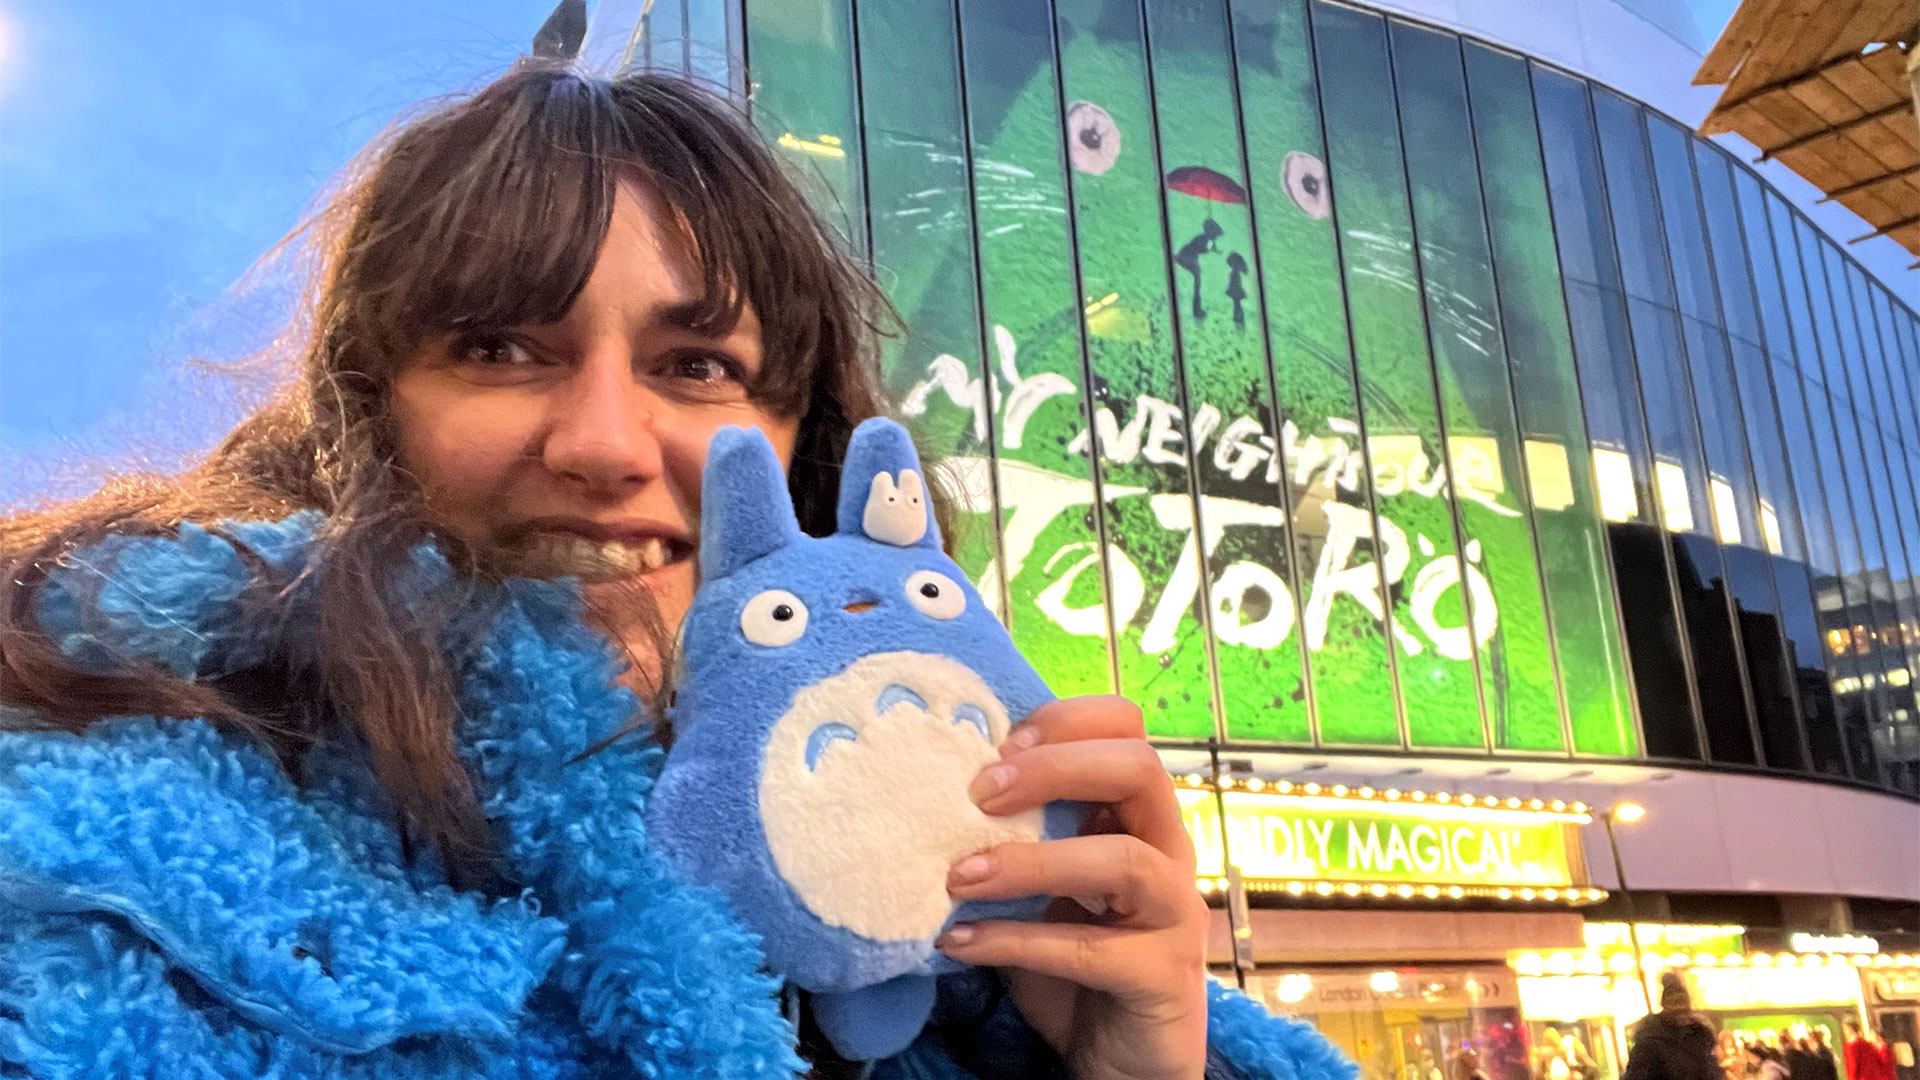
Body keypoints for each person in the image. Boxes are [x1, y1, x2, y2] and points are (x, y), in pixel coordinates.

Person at [0, 55, 1357, 1080]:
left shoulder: (949, 951)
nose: (601, 443)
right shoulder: (98, 842)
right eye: (498, 347)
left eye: (699, 365)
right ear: (369, 404)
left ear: (806, 441)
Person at [1622, 973, 1721, 1080]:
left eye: (1683, 1007)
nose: (1681, 1014)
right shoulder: (1649, 1043)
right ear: (1666, 1007)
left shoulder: (1701, 1037)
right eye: (1675, 1006)